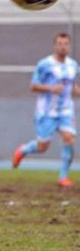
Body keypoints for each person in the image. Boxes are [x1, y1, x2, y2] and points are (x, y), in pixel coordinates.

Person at [13, 32, 77, 188]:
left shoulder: (73, 65)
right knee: (43, 147)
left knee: (69, 138)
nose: (63, 47)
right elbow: (33, 86)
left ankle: (63, 177)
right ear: (54, 46)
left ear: (69, 46)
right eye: (60, 44)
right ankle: (24, 149)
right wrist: (51, 88)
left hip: (65, 111)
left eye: (66, 44)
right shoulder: (44, 64)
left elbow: (73, 87)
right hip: (46, 112)